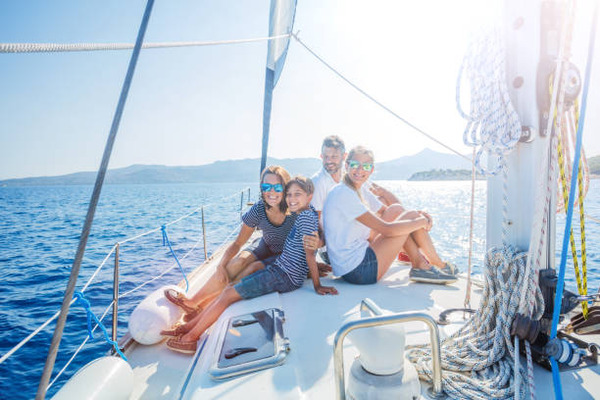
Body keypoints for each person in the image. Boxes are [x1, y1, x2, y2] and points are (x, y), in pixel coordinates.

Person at [165, 176, 338, 354]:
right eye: (289, 194)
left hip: (285, 276)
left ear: (309, 196)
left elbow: (310, 253)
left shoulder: (305, 217)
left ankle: (191, 339)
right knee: (230, 288)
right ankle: (190, 327)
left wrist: (317, 285)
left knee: (228, 294)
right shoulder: (304, 212)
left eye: (297, 194)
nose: (292, 199)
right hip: (280, 268)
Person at [162, 165, 297, 319]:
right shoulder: (258, 210)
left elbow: (312, 236)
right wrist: (221, 266)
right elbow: (238, 243)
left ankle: (207, 305)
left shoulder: (295, 210)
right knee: (238, 262)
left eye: (277, 187)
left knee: (247, 273)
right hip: (265, 246)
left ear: (285, 187)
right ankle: (193, 303)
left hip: (284, 256)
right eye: (266, 186)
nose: (271, 192)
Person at [322, 146, 457, 284]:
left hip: (353, 263)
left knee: (397, 210)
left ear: (371, 170)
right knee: (409, 218)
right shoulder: (343, 193)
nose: (360, 170)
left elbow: (394, 211)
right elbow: (387, 229)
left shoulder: (357, 188)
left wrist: (417, 215)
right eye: (355, 164)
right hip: (359, 271)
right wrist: (421, 221)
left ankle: (425, 264)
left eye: (366, 166)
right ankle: (433, 265)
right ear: (347, 165)